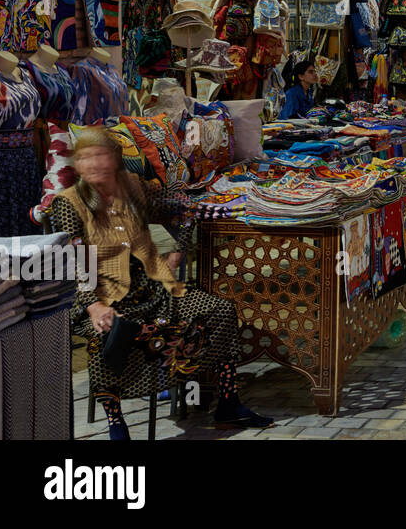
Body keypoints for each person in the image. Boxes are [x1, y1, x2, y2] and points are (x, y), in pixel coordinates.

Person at [49, 128, 274, 439]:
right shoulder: (69, 203)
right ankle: (117, 425)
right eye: (85, 157)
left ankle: (229, 403)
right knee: (106, 334)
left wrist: (178, 249)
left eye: (100, 155)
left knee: (219, 310)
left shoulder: (134, 187)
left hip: (151, 289)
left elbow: (185, 208)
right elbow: (78, 258)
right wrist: (93, 304)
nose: (94, 163)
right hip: (101, 294)